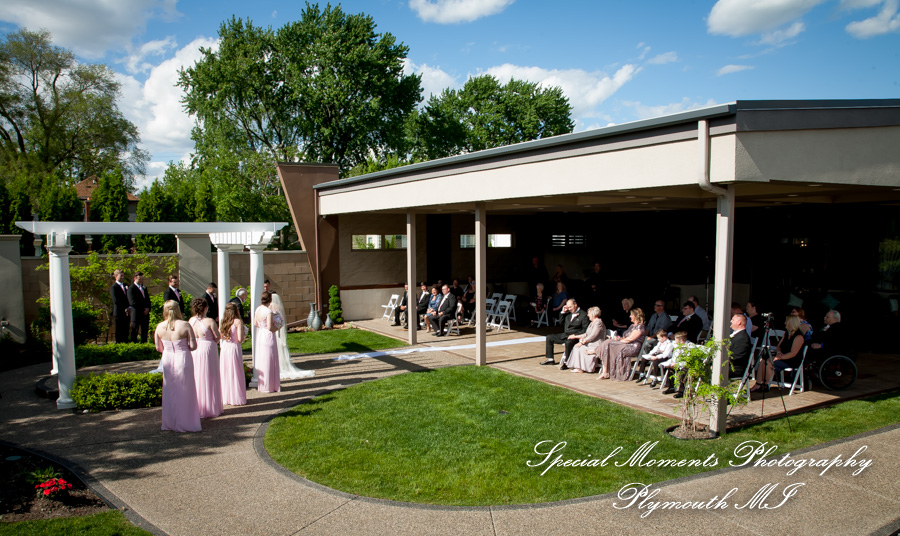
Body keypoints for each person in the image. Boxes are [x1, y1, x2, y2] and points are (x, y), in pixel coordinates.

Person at [154, 300, 201, 432]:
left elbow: (158, 348)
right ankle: (187, 421)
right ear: (178, 310)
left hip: (168, 358)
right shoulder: (185, 325)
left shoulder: (159, 327)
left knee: (170, 390)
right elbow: (193, 346)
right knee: (186, 389)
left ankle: (171, 422)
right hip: (183, 357)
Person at [188, 298, 223, 418]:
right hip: (208, 349)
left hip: (195, 350)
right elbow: (217, 336)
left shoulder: (191, 320)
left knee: (198, 376)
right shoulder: (209, 321)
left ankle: (199, 406)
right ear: (206, 308)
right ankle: (211, 407)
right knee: (210, 376)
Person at [752, 315, 805, 392]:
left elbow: (793, 353)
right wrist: (779, 352)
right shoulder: (786, 334)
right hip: (782, 357)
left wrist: (779, 357)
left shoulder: (799, 336)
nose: (785, 323)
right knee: (763, 360)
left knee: (769, 362)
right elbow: (778, 346)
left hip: (791, 360)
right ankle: (758, 383)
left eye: (786, 321)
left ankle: (766, 384)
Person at [270, 292, 315, 380]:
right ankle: (282, 365)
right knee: (280, 348)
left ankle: (275, 367)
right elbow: (281, 320)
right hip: (278, 328)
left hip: (273, 329)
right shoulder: (278, 307)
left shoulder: (270, 307)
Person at [598, 307, 647, 381]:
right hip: (625, 344)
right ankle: (606, 371)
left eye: (631, 315)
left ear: (636, 316)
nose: (630, 316)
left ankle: (616, 372)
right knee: (609, 343)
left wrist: (618, 342)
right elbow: (625, 337)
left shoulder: (640, 327)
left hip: (632, 347)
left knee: (612, 346)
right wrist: (619, 339)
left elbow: (631, 339)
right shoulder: (632, 326)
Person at [541, 299, 589, 365]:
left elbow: (585, 329)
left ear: (575, 304)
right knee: (549, 337)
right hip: (565, 335)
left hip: (575, 337)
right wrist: (562, 312)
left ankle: (567, 361)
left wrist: (575, 335)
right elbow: (561, 323)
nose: (569, 309)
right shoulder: (568, 313)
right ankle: (550, 359)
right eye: (568, 307)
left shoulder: (583, 315)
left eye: (570, 307)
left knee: (568, 342)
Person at [561, 307, 606, 372]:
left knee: (581, 348)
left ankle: (585, 367)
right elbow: (586, 334)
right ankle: (579, 367)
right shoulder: (592, 323)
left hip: (596, 344)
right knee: (576, 347)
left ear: (593, 314)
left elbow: (593, 336)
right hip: (590, 343)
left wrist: (582, 342)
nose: (587, 315)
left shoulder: (598, 323)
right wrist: (575, 336)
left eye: (589, 313)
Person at [219, 303, 247, 406]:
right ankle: (236, 397)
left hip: (225, 347)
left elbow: (221, 336)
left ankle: (226, 397)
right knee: (235, 371)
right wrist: (244, 335)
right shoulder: (238, 321)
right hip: (234, 347)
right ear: (236, 311)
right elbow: (240, 339)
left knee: (226, 371)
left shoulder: (223, 321)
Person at [254, 291, 281, 393]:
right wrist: (278, 327)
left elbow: (255, 323)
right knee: (270, 360)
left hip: (261, 334)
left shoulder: (257, 309)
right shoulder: (268, 311)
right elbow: (270, 327)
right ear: (270, 299)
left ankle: (263, 385)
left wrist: (263, 326)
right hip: (268, 336)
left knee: (263, 360)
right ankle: (270, 386)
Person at [128, 272, 151, 344]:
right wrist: (142, 309)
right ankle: (134, 345)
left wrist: (148, 308)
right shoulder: (131, 288)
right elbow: (132, 302)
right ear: (134, 279)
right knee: (135, 330)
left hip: (145, 313)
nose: (141, 280)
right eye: (139, 279)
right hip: (136, 312)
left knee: (144, 330)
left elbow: (147, 299)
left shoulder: (144, 288)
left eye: (141, 279)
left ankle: (144, 344)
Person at [109, 269, 130, 344]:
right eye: (120, 276)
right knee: (119, 330)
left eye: (123, 276)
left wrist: (129, 307)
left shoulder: (126, 285)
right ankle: (119, 345)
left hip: (127, 312)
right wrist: (125, 308)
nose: (122, 277)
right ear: (116, 276)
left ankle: (126, 344)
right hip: (119, 312)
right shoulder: (114, 287)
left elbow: (129, 298)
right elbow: (116, 301)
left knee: (126, 331)